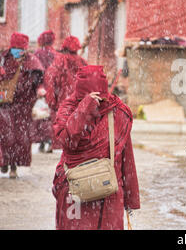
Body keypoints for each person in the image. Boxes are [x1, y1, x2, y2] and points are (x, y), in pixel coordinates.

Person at [52, 65, 140, 230]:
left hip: (103, 193)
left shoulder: (117, 111)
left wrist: (131, 199)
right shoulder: (71, 108)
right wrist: (84, 109)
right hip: (83, 191)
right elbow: (67, 140)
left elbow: (127, 158)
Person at [0, 32, 44, 178]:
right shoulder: (3, 58)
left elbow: (39, 80)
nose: (17, 51)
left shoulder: (31, 61)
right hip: (4, 105)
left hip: (23, 106)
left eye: (20, 49)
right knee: (6, 136)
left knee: (20, 138)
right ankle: (4, 162)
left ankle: (13, 166)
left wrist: (40, 89)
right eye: (15, 48)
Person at [44, 36, 87, 152]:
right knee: (76, 126)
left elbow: (50, 79)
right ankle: (74, 146)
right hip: (79, 101)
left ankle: (62, 146)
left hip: (62, 101)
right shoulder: (82, 61)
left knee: (61, 125)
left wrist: (51, 99)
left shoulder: (59, 60)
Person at [33, 30, 57, 153]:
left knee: (40, 114)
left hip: (41, 87)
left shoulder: (37, 53)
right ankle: (50, 141)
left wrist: (38, 86)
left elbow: (36, 71)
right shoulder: (56, 54)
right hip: (53, 88)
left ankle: (42, 141)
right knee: (50, 115)